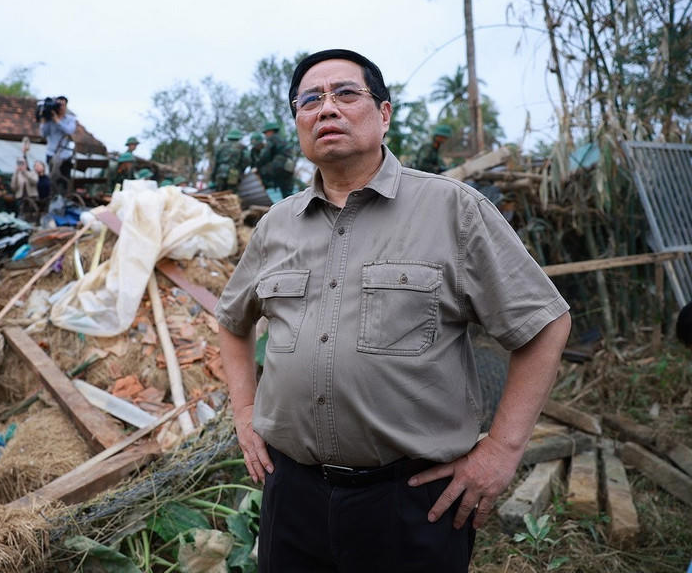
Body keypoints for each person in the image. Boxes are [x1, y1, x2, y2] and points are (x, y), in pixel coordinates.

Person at [215, 49, 571, 572]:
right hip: (292, 495)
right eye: (310, 100)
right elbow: (231, 322)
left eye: (345, 94)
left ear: (383, 114)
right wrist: (245, 416)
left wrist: (501, 450)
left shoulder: (452, 210)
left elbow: (543, 324)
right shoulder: (276, 225)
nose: (326, 109)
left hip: (409, 503)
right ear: (298, 123)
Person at [38, 95, 78, 183]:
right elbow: (43, 134)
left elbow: (70, 131)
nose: (60, 107)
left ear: (66, 106)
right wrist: (44, 121)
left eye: (62, 105)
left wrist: (57, 121)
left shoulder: (70, 119)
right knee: (53, 180)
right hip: (51, 154)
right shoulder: (49, 119)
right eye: (58, 104)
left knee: (64, 180)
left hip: (65, 156)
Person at [260, 120, 297, 196]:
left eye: (266, 132)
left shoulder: (272, 139)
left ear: (270, 131)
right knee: (288, 190)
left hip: (280, 166)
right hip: (289, 165)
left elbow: (266, 154)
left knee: (283, 189)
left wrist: (260, 163)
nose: (265, 135)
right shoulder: (282, 139)